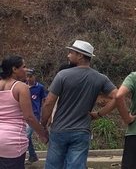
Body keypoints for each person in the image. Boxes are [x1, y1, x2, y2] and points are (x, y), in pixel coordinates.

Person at [40, 40, 117, 169]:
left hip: (59, 130)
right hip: (82, 131)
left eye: (71, 52)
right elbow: (118, 96)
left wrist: (43, 123)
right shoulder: (100, 78)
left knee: (53, 166)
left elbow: (49, 102)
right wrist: (98, 114)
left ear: (80, 56)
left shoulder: (62, 75)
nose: (68, 55)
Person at [0, 56, 48, 168]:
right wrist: (42, 133)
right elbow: (29, 117)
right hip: (12, 141)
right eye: (24, 66)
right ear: (14, 69)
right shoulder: (21, 87)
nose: (26, 69)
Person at [25, 68, 48, 164]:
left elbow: (44, 101)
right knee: (26, 137)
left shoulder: (40, 88)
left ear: (35, 76)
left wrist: (44, 115)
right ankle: (33, 155)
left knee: (26, 136)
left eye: (30, 76)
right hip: (24, 115)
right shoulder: (23, 87)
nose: (29, 79)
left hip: (35, 115)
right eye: (27, 76)